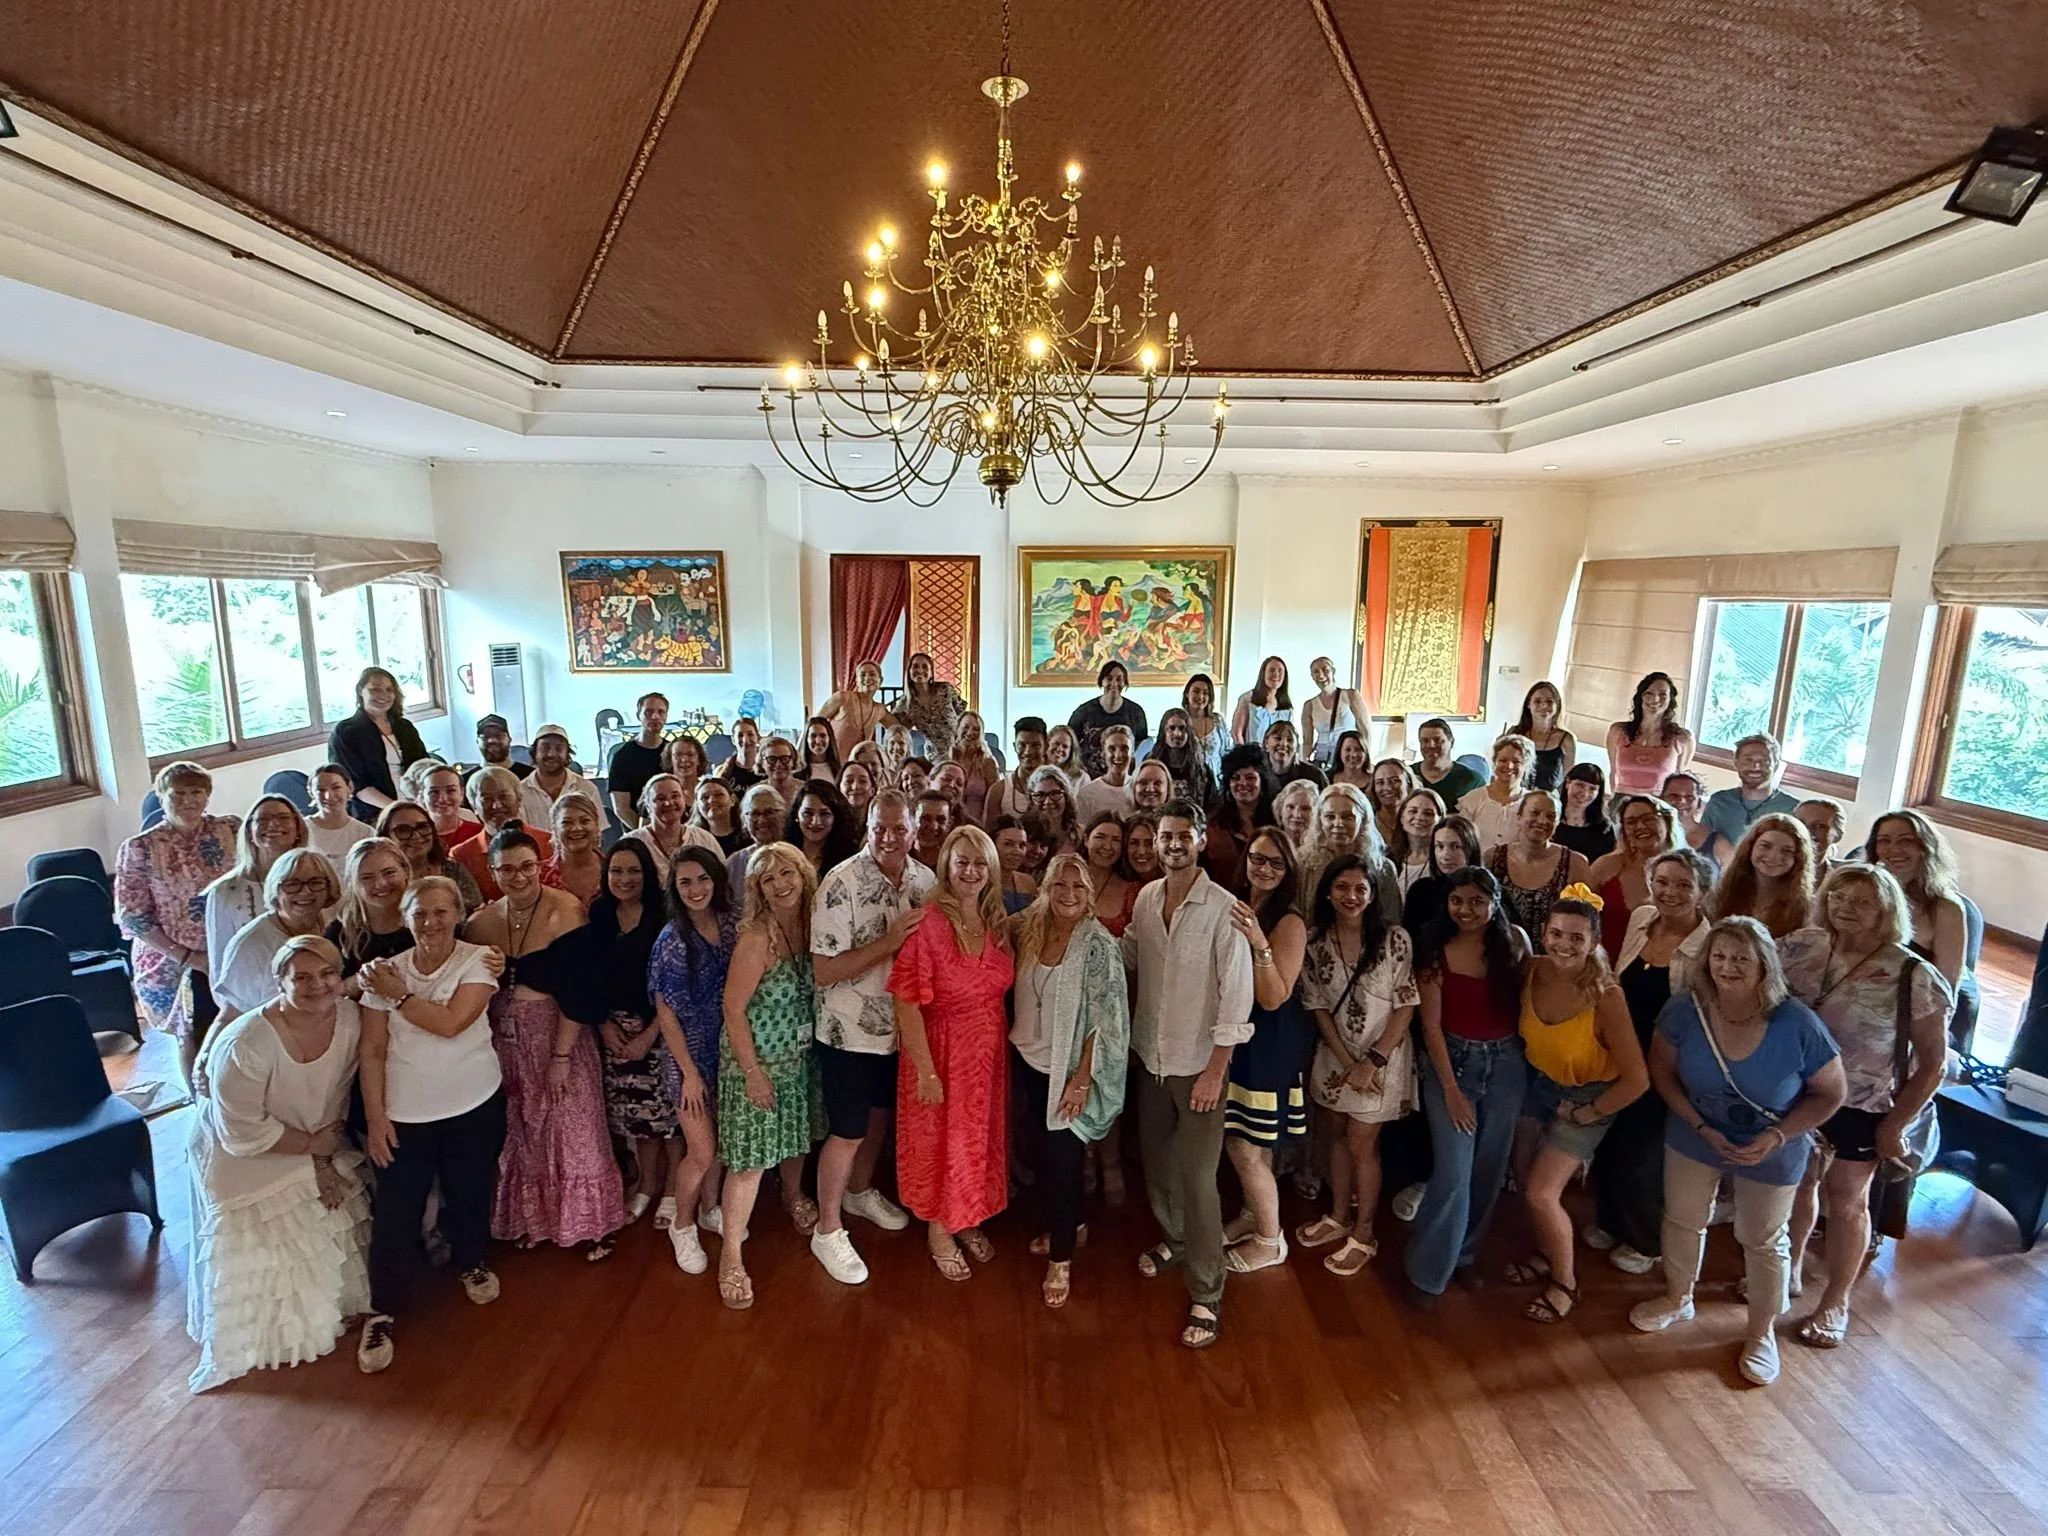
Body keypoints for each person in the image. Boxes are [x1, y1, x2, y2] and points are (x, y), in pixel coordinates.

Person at [1626, 917, 1846, 1385]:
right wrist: (1700, 1125)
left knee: (1763, 1238)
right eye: (1720, 956)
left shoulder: (1797, 1023)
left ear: (1764, 965)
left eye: (1741, 958)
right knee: (1683, 1218)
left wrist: (1778, 1136)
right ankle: (1677, 1296)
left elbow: (1830, 1093)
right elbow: (1661, 1070)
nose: (1728, 967)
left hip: (1772, 1145)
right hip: (1694, 1132)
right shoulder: (1686, 1010)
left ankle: (1761, 1331)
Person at [184, 934, 368, 1392]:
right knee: (272, 1243)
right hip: (245, 1152)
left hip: (313, 1136)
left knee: (325, 1224)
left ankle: (330, 1311)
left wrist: (324, 1153)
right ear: (278, 982)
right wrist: (312, 1146)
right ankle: (277, 1338)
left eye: (327, 974)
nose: (317, 985)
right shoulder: (246, 1043)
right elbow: (239, 1130)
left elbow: (337, 1089)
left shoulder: (350, 1018)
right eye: (301, 977)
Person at [1780, 865, 1952, 1348]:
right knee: (1798, 1183)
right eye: (1838, 897)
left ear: (1886, 911)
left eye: (1861, 902)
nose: (1845, 907)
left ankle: (1834, 1300)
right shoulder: (1801, 947)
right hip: (1797, 1092)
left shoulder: (1914, 975)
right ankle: (1787, 1269)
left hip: (1865, 1101)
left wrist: (1897, 1124)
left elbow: (1934, 1064)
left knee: (1847, 1199)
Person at [354, 876, 504, 1373]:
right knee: (396, 1213)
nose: (431, 923)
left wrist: (399, 998)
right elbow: (372, 1050)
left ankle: (471, 1260)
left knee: (470, 1190)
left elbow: (453, 1023)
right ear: (404, 919)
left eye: (441, 912)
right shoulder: (384, 974)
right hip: (406, 1114)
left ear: (457, 914)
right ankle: (384, 1308)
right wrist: (376, 1118)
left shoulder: (478, 959)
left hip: (473, 1102)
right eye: (420, 914)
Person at [1124, 799, 1255, 1349]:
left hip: (1200, 1067)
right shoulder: (1147, 900)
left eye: (1184, 835)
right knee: (1157, 1163)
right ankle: (1176, 1241)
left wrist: (1213, 1073)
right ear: (1154, 843)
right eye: (1165, 836)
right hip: (1149, 1059)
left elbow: (1237, 1001)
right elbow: (1128, 957)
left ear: (1201, 840)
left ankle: (1207, 1289)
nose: (1173, 844)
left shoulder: (1225, 910)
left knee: (1200, 1182)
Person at [464, 828, 626, 1258]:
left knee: (571, 1125)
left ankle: (591, 1224)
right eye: (507, 870)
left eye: (527, 867)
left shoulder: (565, 911)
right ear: (494, 872)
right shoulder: (480, 924)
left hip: (557, 1034)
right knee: (522, 1129)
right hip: (505, 1040)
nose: (518, 878)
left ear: (541, 866)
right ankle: (532, 1219)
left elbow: (580, 992)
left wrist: (561, 1056)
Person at [1503, 888, 1648, 1323]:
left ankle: (1565, 1282)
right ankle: (1545, 1252)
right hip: (1540, 1084)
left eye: (1576, 937)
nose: (1564, 945)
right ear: (1542, 933)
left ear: (1595, 941)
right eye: (1556, 933)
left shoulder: (1606, 996)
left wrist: (1587, 1114)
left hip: (1589, 1096)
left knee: (1542, 1194)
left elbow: (1637, 1079)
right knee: (1524, 1176)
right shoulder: (1531, 970)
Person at [806, 791, 932, 1284]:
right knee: (847, 1131)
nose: (888, 837)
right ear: (868, 826)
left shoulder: (926, 881)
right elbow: (823, 970)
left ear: (914, 830)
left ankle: (859, 1192)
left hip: (900, 1033)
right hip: (847, 1032)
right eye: (880, 827)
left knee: (879, 1119)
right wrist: (890, 941)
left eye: (899, 829)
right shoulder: (840, 882)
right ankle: (828, 1228)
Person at [890, 825, 1016, 1280]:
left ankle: (968, 1218)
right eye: (962, 861)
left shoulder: (995, 921)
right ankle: (940, 1230)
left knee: (976, 1142)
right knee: (943, 1144)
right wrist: (925, 1070)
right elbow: (905, 1000)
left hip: (986, 1055)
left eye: (980, 863)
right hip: (939, 1052)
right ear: (946, 865)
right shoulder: (928, 923)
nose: (971, 870)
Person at [1403, 867, 1531, 1305]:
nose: (1466, 910)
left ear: (1494, 902)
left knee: (1488, 1170)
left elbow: (1529, 1003)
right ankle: (1427, 1271)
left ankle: (1465, 1255)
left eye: (1477, 901)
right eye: (1458, 900)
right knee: (1454, 1173)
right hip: (1451, 1063)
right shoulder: (1435, 950)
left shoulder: (1514, 941)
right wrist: (1453, 1093)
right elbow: (1432, 1028)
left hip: (1507, 1063)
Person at [1590, 846, 1716, 1276]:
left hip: (1666, 1063)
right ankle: (1611, 1219)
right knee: (1608, 1142)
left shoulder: (1706, 947)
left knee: (1642, 1155)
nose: (1670, 892)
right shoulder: (1642, 919)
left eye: (1683, 885)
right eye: (1662, 882)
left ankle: (1645, 1240)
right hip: (1621, 1054)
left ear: (1702, 891)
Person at [1011, 852, 1130, 1306]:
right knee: (1038, 1151)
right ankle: (1072, 1225)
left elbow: (1108, 1020)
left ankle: (1060, 1260)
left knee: (1063, 1163)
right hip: (1029, 1056)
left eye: (1078, 888)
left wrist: (1082, 1079)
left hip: (1068, 1070)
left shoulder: (1098, 945)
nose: (1068, 895)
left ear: (1089, 895)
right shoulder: (1031, 927)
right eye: (1059, 885)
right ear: (1046, 888)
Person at [1293, 854, 1418, 1277]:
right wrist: (1348, 1062)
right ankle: (1337, 1215)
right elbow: (1317, 1006)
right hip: (1335, 1057)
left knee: (1363, 1143)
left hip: (1383, 1057)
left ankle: (1364, 1232)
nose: (1351, 896)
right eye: (1342, 887)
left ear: (1372, 893)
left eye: (1360, 889)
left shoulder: (1394, 939)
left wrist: (1371, 1062)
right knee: (1334, 1136)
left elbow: (1405, 1005)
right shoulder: (1314, 941)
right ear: (1327, 891)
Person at [716, 843, 825, 1308]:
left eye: (787, 874)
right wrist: (753, 1073)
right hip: (755, 1064)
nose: (781, 885)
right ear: (757, 889)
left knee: (795, 1139)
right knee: (749, 1163)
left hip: (799, 1061)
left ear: (803, 875)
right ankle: (731, 1253)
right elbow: (732, 1009)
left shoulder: (812, 925)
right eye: (768, 879)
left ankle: (793, 1194)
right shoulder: (757, 938)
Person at [1219, 829, 1312, 1274]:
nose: (1266, 869)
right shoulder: (1239, 901)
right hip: (1240, 1034)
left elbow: (1275, 996)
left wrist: (1259, 942)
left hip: (1268, 1041)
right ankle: (1253, 1213)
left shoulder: (1288, 920)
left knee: (1245, 1146)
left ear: (1288, 870)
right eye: (1259, 859)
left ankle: (1269, 1239)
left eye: (1277, 863)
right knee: (1250, 1139)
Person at [649, 846, 738, 1273]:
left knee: (721, 1144)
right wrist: (689, 1075)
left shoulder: (732, 925)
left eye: (703, 878)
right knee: (701, 1151)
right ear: (675, 888)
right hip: (688, 1059)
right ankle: (682, 1226)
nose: (696, 888)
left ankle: (710, 1208)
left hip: (728, 1050)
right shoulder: (671, 940)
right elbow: (665, 1014)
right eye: (685, 881)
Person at [589, 840, 673, 1224]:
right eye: (617, 871)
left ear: (648, 874)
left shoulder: (664, 915)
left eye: (634, 871)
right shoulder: (598, 914)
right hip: (614, 1031)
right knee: (638, 1120)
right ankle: (647, 1185)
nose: (625, 879)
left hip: (662, 1026)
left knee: (669, 1119)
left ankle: (673, 1191)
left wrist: (650, 1034)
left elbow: (675, 985)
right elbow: (587, 978)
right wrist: (604, 1024)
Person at [214, 849, 342, 1024]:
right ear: (275, 889)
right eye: (292, 884)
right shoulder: (250, 943)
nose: (305, 892)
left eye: (316, 882)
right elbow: (231, 1016)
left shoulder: (335, 926)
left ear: (329, 888)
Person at [203, 794, 309, 979]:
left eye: (283, 818)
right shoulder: (225, 891)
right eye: (263, 819)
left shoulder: (316, 880)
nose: (274, 824)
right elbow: (220, 962)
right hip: (254, 996)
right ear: (249, 832)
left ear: (298, 829)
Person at [1865, 810, 1968, 991]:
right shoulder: (1863, 893)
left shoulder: (1946, 908)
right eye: (1884, 841)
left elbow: (1947, 984)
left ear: (1925, 847)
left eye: (1906, 840)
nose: (1894, 849)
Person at [1484, 791, 1592, 953]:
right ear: (1519, 817)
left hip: (1554, 961)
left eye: (1551, 817)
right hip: (1499, 958)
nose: (1542, 821)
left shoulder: (1575, 864)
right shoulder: (1492, 858)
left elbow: (1588, 922)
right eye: (1535, 813)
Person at [327, 666, 429, 823]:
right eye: (375, 689)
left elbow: (424, 766)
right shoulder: (346, 732)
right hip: (373, 814)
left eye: (389, 690)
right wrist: (397, 809)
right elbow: (356, 785)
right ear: (361, 691)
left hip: (416, 805)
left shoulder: (404, 727)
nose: (384, 695)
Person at [1587, 794, 1682, 956]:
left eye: (1648, 819)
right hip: (1603, 969)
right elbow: (1578, 917)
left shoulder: (1687, 872)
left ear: (1667, 821)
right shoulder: (1606, 866)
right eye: (1631, 822)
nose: (1640, 826)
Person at [450, 766, 553, 903]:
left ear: (519, 799)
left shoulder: (550, 843)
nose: (496, 806)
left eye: (504, 796)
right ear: (474, 806)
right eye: (486, 799)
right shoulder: (461, 856)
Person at [327, 837, 415, 983]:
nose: (380, 884)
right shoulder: (339, 934)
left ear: (405, 870)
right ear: (353, 883)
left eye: (389, 873)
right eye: (367, 878)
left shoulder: (427, 922)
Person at [1712, 813, 1816, 938]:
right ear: (1750, 847)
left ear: (1799, 858)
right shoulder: (1720, 893)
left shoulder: (1808, 910)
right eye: (1765, 846)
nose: (1774, 856)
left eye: (1787, 851)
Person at [1704, 732, 1802, 860]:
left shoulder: (1793, 808)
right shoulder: (1719, 801)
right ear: (1736, 763)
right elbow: (1703, 844)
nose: (1756, 766)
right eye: (1748, 760)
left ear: (1776, 765)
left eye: (1764, 761)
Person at [378, 800, 483, 914]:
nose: (416, 836)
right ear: (386, 836)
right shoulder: (381, 880)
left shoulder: (453, 870)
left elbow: (475, 913)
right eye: (403, 830)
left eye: (422, 827)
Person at [1605, 671, 1695, 794]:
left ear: (1670, 699)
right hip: (1622, 804)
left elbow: (1678, 783)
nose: (1655, 699)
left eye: (1663, 694)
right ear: (1640, 697)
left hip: (1659, 807)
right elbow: (1614, 772)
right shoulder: (1618, 731)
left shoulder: (1683, 738)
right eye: (1649, 693)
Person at [622, 772, 721, 882]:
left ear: (684, 800)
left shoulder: (704, 839)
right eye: (660, 798)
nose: (668, 803)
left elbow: (722, 880)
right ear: (648, 806)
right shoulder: (631, 843)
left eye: (675, 796)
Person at [1203, 745, 1274, 895]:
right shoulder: (1213, 826)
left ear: (1262, 782)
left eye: (1250, 778)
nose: (1242, 783)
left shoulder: (1276, 822)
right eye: (1235, 778)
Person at [1402, 814, 1480, 939]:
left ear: (1471, 849)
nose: (1446, 855)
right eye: (1440, 846)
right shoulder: (1420, 890)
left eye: (1455, 847)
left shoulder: (1488, 890)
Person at [1063, 661, 1145, 778]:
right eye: (1109, 678)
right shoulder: (1084, 711)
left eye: (1119, 679)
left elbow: (1142, 746)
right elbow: (1070, 743)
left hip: (1124, 778)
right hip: (1087, 777)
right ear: (1101, 681)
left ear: (1125, 682)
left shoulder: (1136, 712)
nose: (1114, 683)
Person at [1457, 734, 1534, 854]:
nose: (1509, 766)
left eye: (1516, 761)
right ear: (1494, 763)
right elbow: (1461, 840)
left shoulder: (1532, 802)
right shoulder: (1474, 799)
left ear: (1526, 766)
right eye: (1503, 760)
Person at [519, 723, 601, 831]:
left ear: (567, 754)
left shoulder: (587, 789)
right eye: (545, 748)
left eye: (559, 748)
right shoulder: (519, 793)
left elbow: (598, 833)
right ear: (535, 753)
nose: (551, 754)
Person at [607, 692, 671, 828]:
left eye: (661, 712)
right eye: (648, 712)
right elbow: (621, 808)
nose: (655, 717)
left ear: (666, 717)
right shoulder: (622, 757)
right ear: (639, 716)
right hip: (637, 831)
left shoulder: (672, 752)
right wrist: (647, 834)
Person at [896, 651, 967, 759]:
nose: (920, 670)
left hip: (960, 751)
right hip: (934, 757)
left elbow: (963, 715)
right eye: (915, 667)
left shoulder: (945, 689)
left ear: (931, 673)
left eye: (925, 667)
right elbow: (895, 726)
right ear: (909, 672)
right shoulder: (906, 703)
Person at [818, 659, 892, 761]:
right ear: (856, 680)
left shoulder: (879, 709)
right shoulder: (843, 698)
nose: (867, 678)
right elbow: (813, 723)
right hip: (832, 765)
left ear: (881, 681)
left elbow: (899, 729)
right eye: (862, 675)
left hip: (858, 769)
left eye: (872, 674)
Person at [1300, 656, 1368, 767]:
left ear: (1333, 671)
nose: (1321, 675)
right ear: (1312, 676)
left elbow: (1365, 728)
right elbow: (1307, 741)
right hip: (1323, 758)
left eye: (1325, 670)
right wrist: (1306, 765)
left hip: (1349, 755)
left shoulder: (1350, 696)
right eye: (1316, 672)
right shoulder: (1309, 705)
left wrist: (1367, 758)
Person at [542, 792, 606, 908]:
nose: (576, 828)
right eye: (567, 822)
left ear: (597, 826)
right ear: (555, 830)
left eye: (584, 821)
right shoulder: (540, 876)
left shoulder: (615, 871)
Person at [785, 779, 861, 876]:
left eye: (824, 814)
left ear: (836, 817)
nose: (816, 822)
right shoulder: (782, 855)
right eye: (808, 813)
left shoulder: (849, 861)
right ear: (796, 815)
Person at [1081, 813, 1140, 938]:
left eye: (1115, 840)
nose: (1107, 846)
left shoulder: (1132, 892)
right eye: (1100, 837)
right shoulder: (1062, 878)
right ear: (1086, 840)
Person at [306, 764, 374, 865]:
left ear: (349, 787)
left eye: (336, 787)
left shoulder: (365, 833)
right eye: (321, 790)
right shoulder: (302, 829)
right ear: (311, 793)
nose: (329, 796)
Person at [1147, 708, 1216, 807]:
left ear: (1189, 732)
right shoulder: (1151, 765)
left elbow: (1212, 806)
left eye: (1182, 728)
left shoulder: (1201, 769)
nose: (1177, 734)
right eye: (1172, 728)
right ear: (1164, 731)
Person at [985, 716, 1049, 822]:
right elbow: (989, 835)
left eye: (1035, 745)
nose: (1028, 752)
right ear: (1015, 746)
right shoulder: (999, 791)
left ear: (1046, 746)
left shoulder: (1058, 790)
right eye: (1022, 745)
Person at [1412, 718, 1484, 806]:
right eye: (1425, 741)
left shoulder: (1472, 781)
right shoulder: (1407, 775)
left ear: (1451, 742)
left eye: (1437, 740)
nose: (1430, 745)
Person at [948, 710, 1003, 824]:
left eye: (976, 729)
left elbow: (995, 800)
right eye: (966, 727)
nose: (970, 732)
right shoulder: (947, 758)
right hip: (949, 822)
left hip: (978, 824)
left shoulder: (988, 763)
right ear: (957, 729)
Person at [1076, 724, 1139, 822]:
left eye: (1124, 748)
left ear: (1132, 752)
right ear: (1103, 753)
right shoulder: (1087, 795)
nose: (1118, 755)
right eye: (1112, 749)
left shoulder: (1140, 790)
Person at [1554, 763, 1615, 862]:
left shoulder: (1604, 827)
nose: (1585, 794)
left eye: (1592, 789)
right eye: (1580, 785)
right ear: (1567, 783)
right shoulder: (1550, 817)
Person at [1390, 788, 1445, 895]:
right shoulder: (1389, 860)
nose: (1419, 817)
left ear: (1440, 820)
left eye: (1428, 814)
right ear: (1402, 817)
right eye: (1413, 811)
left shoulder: (1446, 861)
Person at [1231, 655, 1292, 751]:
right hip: (1252, 759)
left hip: (1277, 761)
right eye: (1271, 670)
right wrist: (1244, 758)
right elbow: (1237, 733)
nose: (1276, 674)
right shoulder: (1247, 699)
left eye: (1280, 671)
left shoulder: (1287, 706)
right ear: (1263, 674)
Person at [1180, 672, 1233, 780]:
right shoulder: (1179, 720)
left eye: (1206, 693)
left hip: (1215, 782)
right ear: (1187, 693)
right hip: (1186, 780)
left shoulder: (1218, 720)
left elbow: (1227, 753)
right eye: (1196, 691)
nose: (1200, 696)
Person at [421, 762, 484, 852]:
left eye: (450, 790)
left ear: (462, 793)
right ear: (422, 796)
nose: (442, 799)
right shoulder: (415, 838)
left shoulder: (478, 833)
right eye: (434, 792)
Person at [1024, 766, 1082, 857]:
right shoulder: (1021, 833)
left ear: (1066, 797)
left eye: (1055, 794)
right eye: (1040, 795)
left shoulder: (1080, 834)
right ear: (1031, 800)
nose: (1048, 802)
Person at [990, 813, 1040, 912]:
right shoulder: (980, 881)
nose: (1017, 851)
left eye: (1022, 845)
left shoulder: (1028, 882)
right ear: (992, 845)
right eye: (1008, 844)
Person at [1661, 770, 1715, 859]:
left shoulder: (1715, 842)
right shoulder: (1647, 834)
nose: (1681, 801)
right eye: (1673, 796)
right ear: (1661, 799)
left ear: (1699, 804)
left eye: (1689, 797)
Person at [1262, 719, 1327, 792]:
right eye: (1278, 738)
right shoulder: (1258, 775)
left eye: (1290, 740)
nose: (1283, 744)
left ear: (1296, 747)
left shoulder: (1314, 776)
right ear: (1266, 744)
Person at [691, 777, 748, 857]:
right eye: (705, 797)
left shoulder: (749, 835)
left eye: (718, 795)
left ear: (732, 800)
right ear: (698, 805)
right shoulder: (693, 840)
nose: (711, 800)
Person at [1368, 757, 1415, 846]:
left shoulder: (1417, 823)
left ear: (1409, 784)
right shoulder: (1366, 823)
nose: (1388, 788)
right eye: (1380, 782)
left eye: (1395, 781)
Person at [1796, 797, 1850, 876]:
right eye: (1800, 823)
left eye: (1819, 826)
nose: (1806, 831)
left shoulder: (1843, 879)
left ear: (1838, 836)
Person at [716, 717, 767, 792]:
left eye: (750, 734)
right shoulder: (722, 772)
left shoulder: (767, 769)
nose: (745, 740)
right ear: (733, 740)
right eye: (740, 735)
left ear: (758, 737)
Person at [476, 713, 532, 780]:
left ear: (509, 739)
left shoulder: (530, 777)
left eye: (498, 736)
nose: (492, 741)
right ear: (477, 742)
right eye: (486, 737)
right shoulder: (465, 782)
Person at [911, 787, 955, 871]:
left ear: (949, 823)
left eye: (940, 820)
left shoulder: (954, 863)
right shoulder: (900, 858)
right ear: (912, 820)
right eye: (925, 818)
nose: (933, 826)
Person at [759, 733, 805, 809]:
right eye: (771, 759)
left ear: (793, 761)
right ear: (762, 763)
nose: (778, 764)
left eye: (784, 758)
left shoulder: (805, 790)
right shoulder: (756, 792)